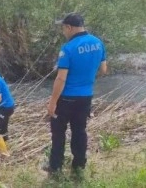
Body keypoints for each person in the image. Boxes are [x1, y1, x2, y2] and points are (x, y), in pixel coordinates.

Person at [44, 13, 107, 180]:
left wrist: (52, 102)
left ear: (69, 27)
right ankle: (79, 165)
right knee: (79, 131)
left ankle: (55, 167)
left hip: (66, 99)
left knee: (58, 133)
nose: (63, 32)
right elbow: (103, 70)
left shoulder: (68, 48)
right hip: (86, 97)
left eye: (63, 28)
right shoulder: (98, 43)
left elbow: (61, 78)